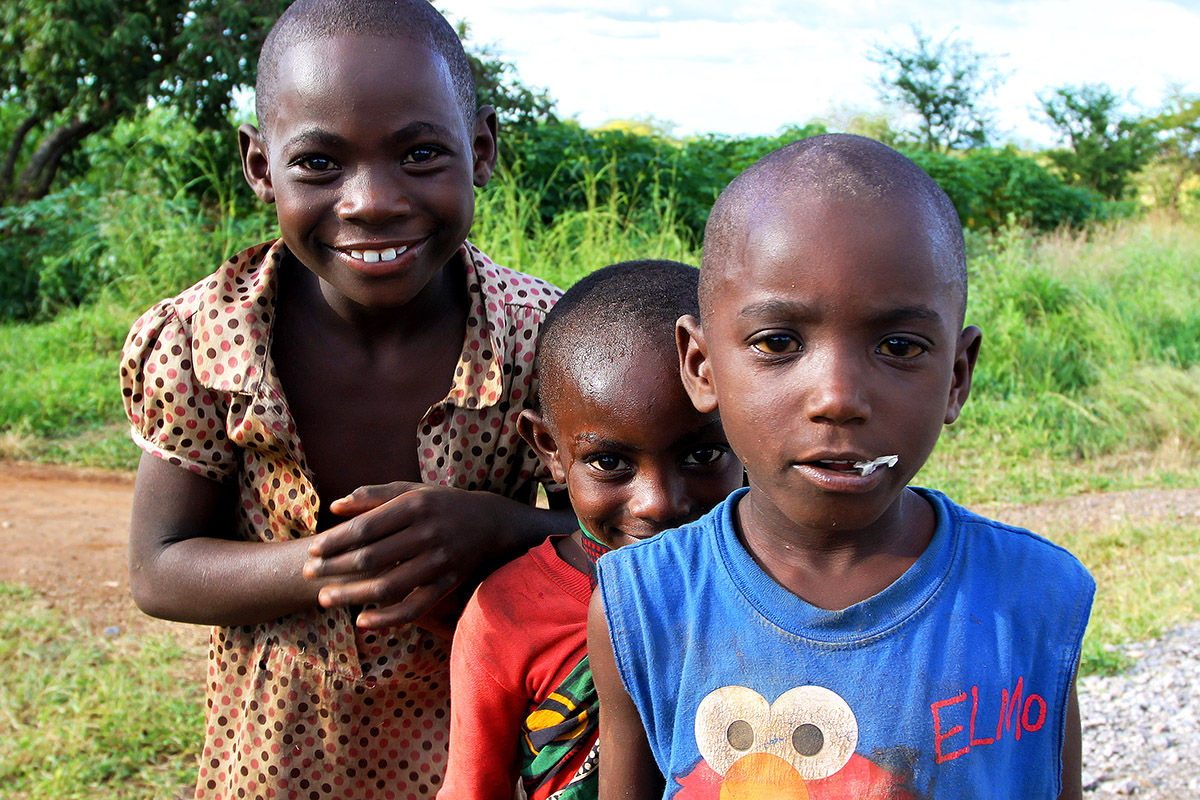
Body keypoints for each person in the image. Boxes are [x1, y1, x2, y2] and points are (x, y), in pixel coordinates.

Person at [118, 1, 574, 796]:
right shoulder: (207, 342)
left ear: (483, 149)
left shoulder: (541, 338)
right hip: (280, 753)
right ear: (261, 167)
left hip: (487, 741)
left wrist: (500, 528)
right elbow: (160, 569)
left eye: (421, 153)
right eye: (321, 164)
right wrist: (331, 564)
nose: (371, 201)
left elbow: (632, 535)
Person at [588, 134, 1095, 800]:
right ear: (702, 366)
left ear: (957, 377)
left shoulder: (1031, 600)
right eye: (778, 342)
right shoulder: (646, 605)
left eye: (898, 345)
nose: (838, 397)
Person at [438, 260, 744, 800]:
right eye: (609, 462)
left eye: (703, 453)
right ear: (549, 450)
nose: (658, 504)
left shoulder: (780, 588)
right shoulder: (507, 616)